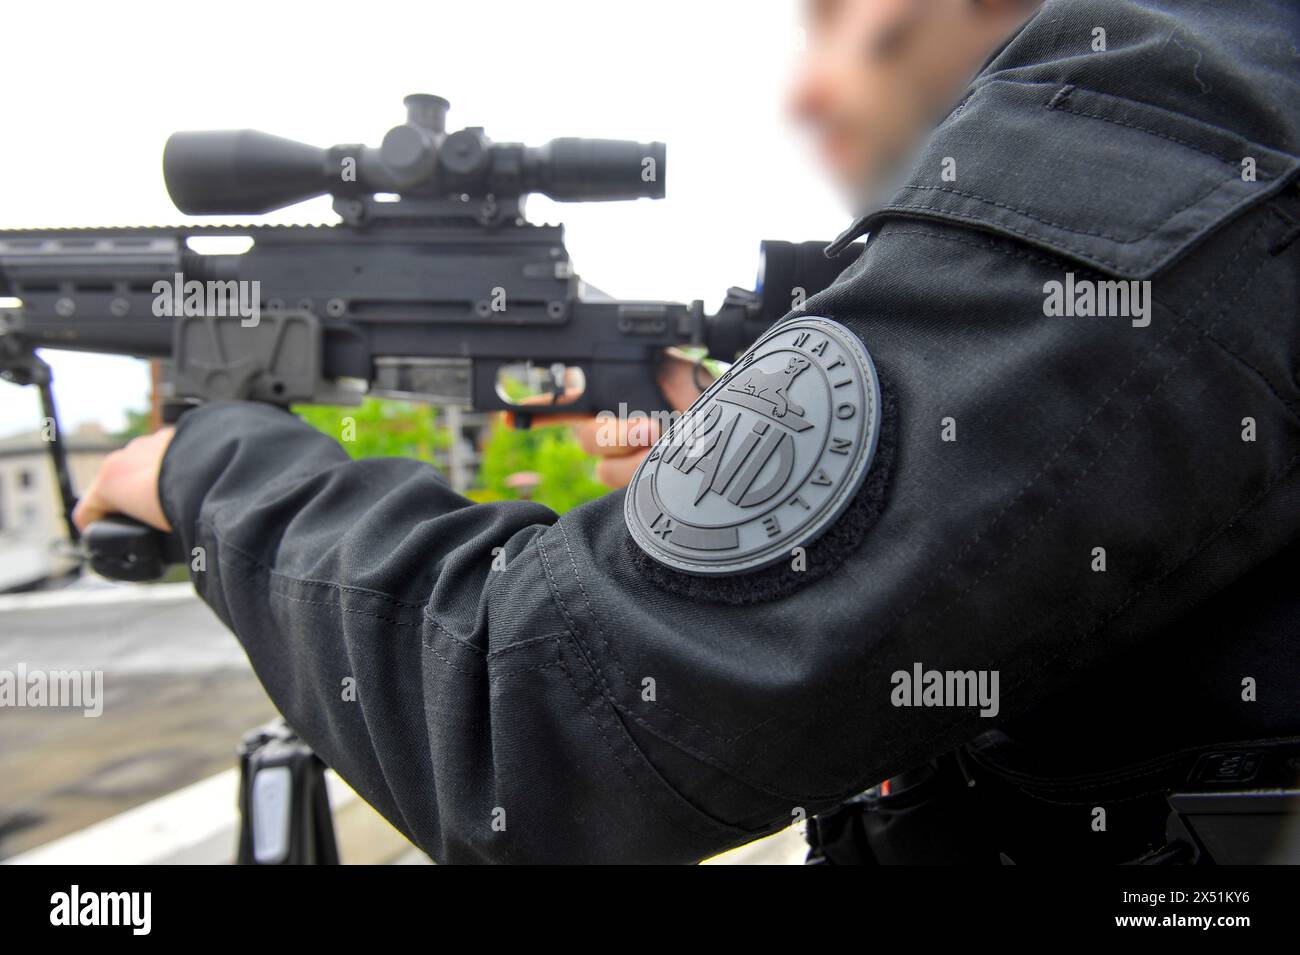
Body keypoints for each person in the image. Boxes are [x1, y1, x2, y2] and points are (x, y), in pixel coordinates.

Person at [73, 0, 1300, 864]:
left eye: (853, 24)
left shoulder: (1168, 104)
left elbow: (552, 730)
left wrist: (203, 462)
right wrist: (730, 482)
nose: (814, 85)